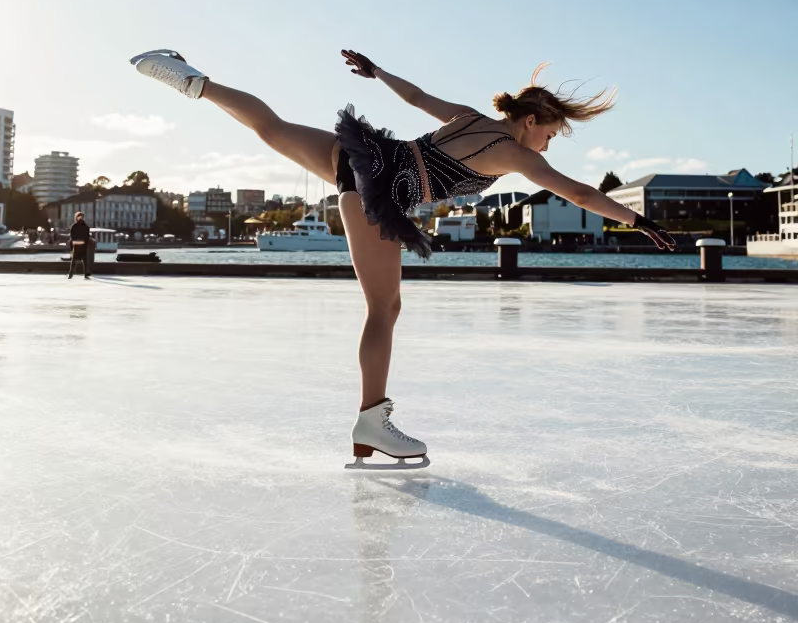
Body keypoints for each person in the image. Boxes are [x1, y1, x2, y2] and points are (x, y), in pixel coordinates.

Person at [130, 48, 674, 466]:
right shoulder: (509, 152)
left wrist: (377, 73)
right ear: (531, 121)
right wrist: (639, 220)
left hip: (364, 156)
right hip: (379, 194)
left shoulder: (466, 117)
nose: (548, 147)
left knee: (270, 127)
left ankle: (193, 80)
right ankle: (372, 419)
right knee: (383, 310)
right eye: (551, 134)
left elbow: (414, 98)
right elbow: (577, 192)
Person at [69, 210, 92, 279]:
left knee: (85, 261)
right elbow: (72, 236)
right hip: (76, 246)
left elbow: (87, 235)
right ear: (76, 217)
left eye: (81, 216)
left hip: (82, 245)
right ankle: (71, 274)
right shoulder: (74, 226)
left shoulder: (85, 226)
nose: (80, 217)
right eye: (79, 216)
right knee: (73, 261)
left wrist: (86, 242)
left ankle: (86, 274)